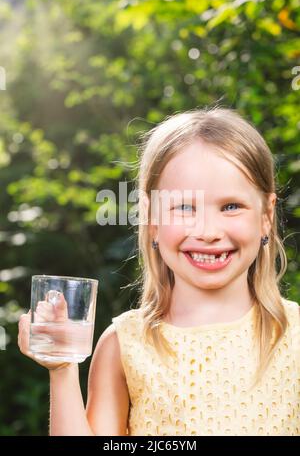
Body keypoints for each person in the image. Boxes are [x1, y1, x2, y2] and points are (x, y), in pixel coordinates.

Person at [18, 107, 300, 436]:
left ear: (266, 214)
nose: (207, 230)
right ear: (152, 219)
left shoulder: (294, 336)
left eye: (231, 206)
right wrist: (63, 368)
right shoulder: (123, 346)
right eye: (183, 207)